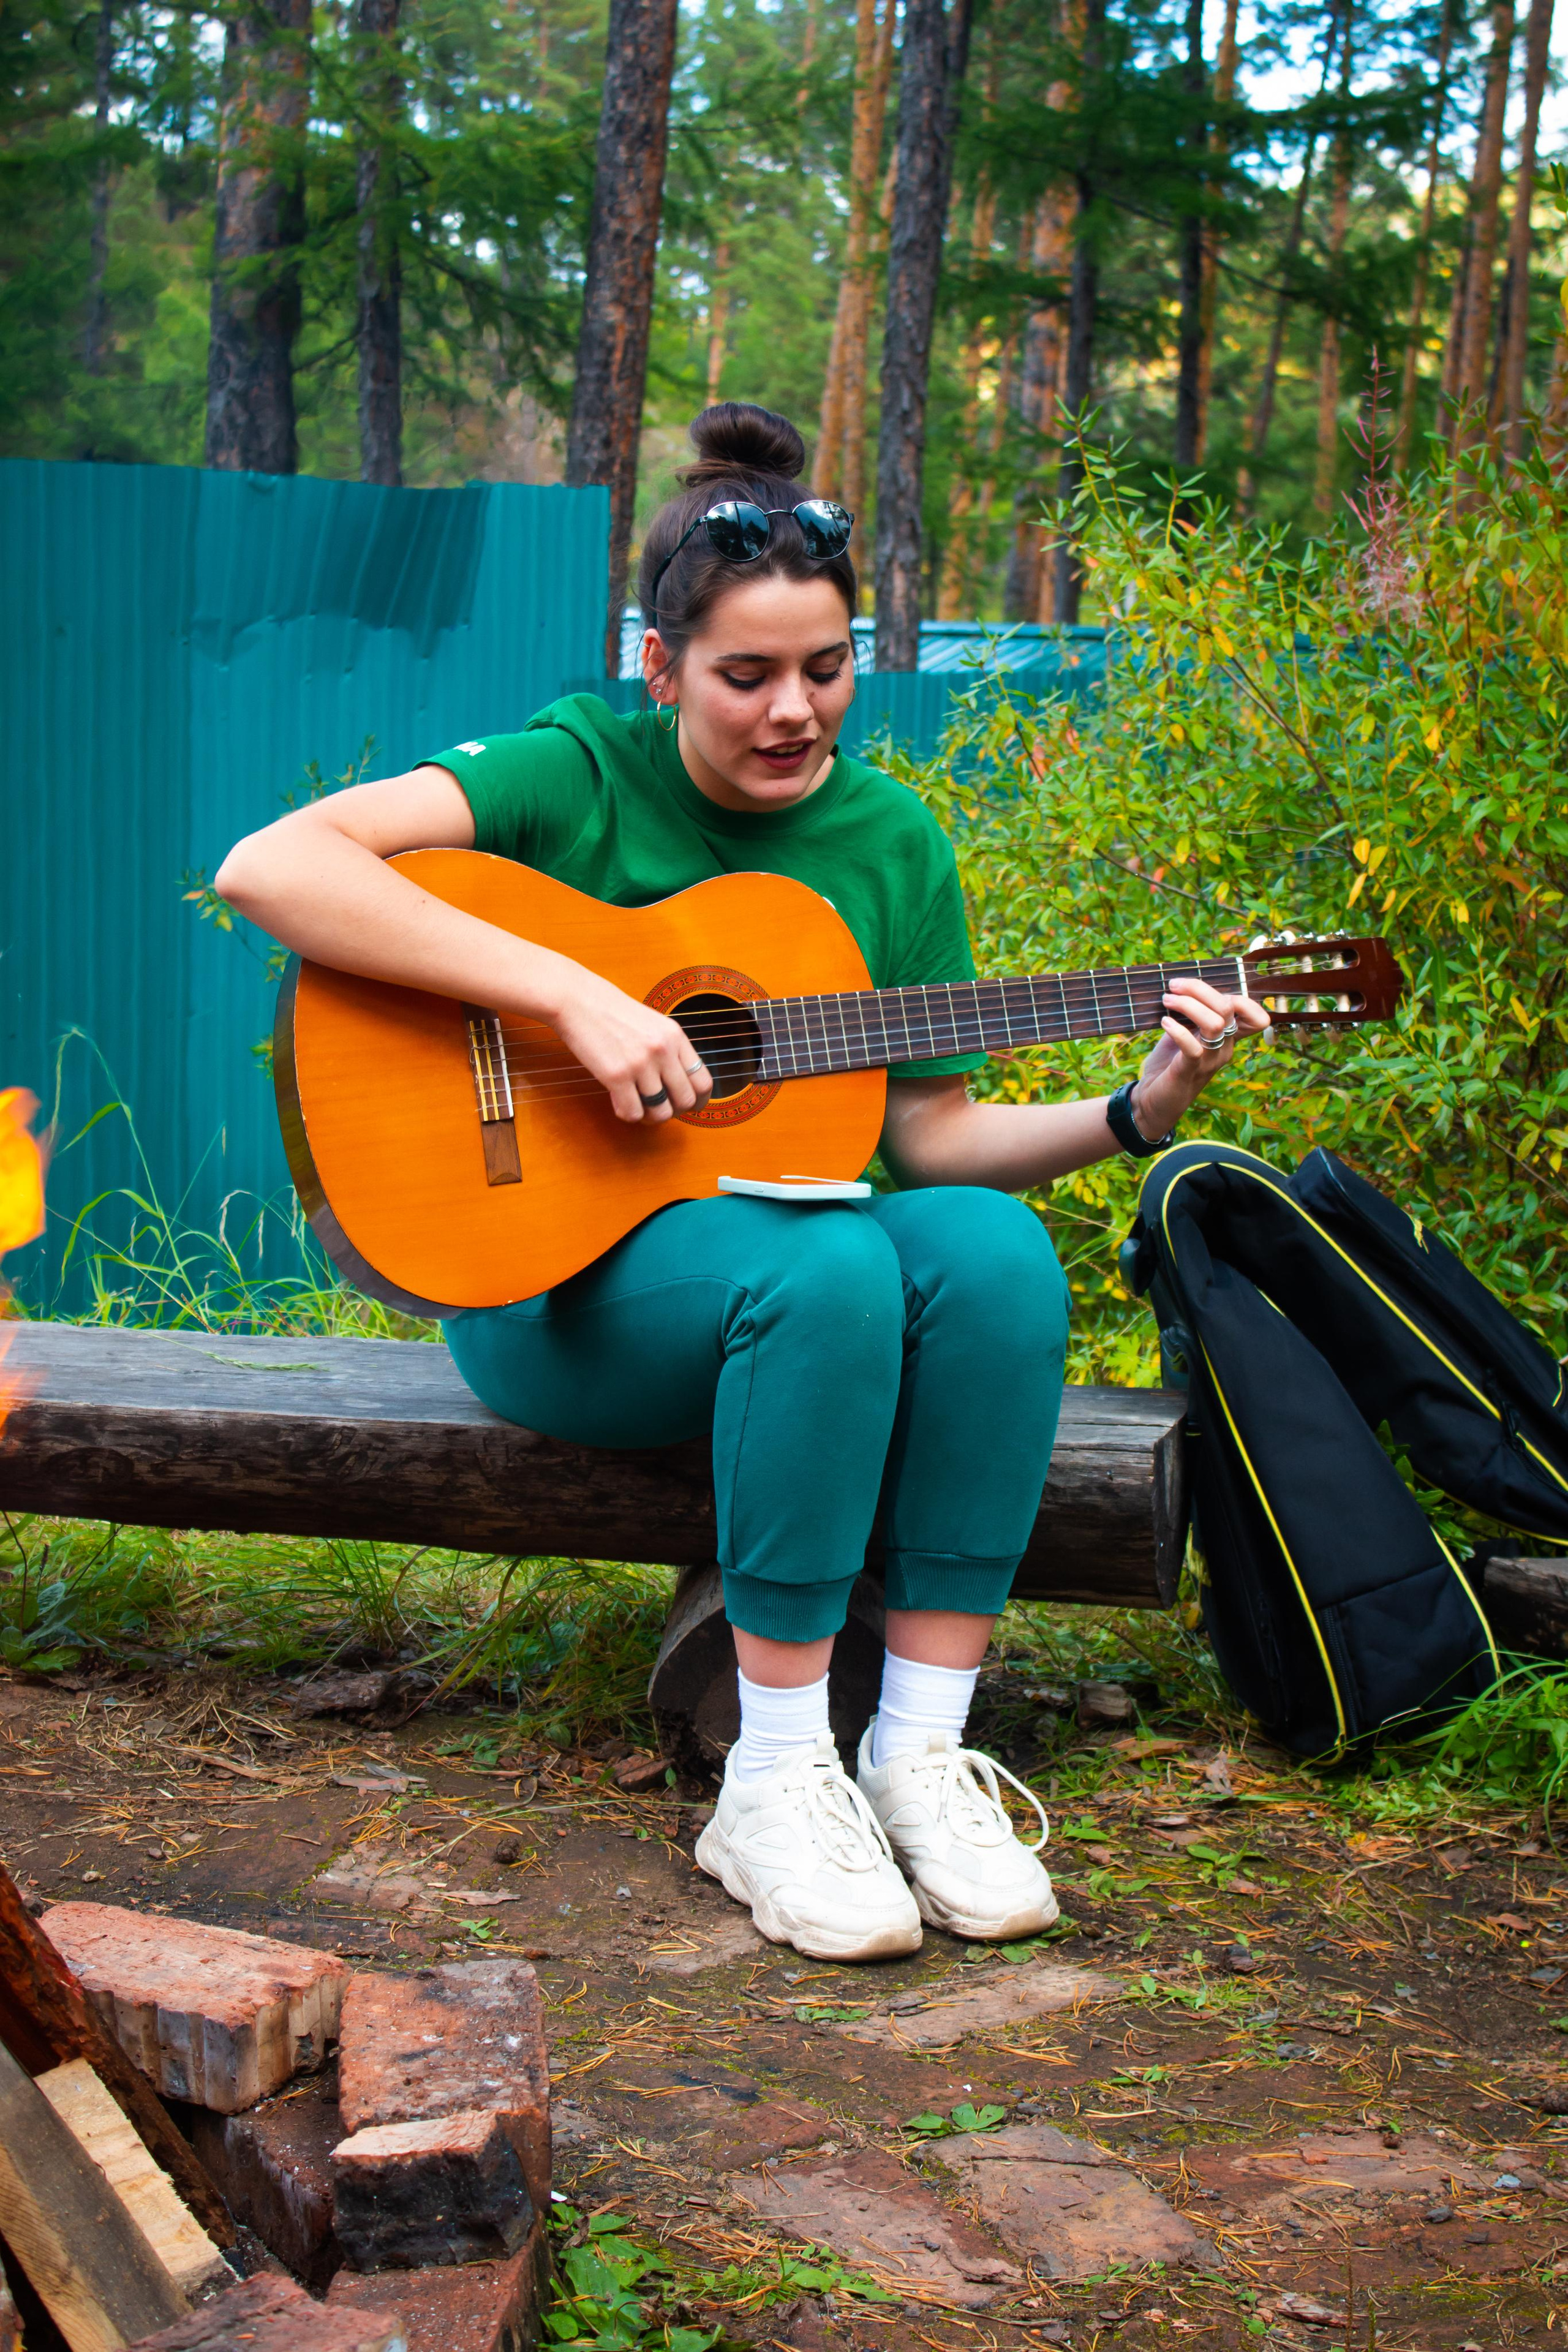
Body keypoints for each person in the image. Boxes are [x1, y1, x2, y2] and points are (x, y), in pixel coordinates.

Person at [217, 401, 1267, 1965]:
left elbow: (931, 1144)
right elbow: (272, 868)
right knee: (827, 1262)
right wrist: (567, 996)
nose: (795, 711)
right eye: (746, 676)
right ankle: (771, 1778)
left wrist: (1135, 1104)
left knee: (987, 1255)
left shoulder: (887, 840)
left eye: (826, 669)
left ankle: (915, 1753)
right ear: (661, 665)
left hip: (776, 1282)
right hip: (552, 1284)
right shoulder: (578, 770)